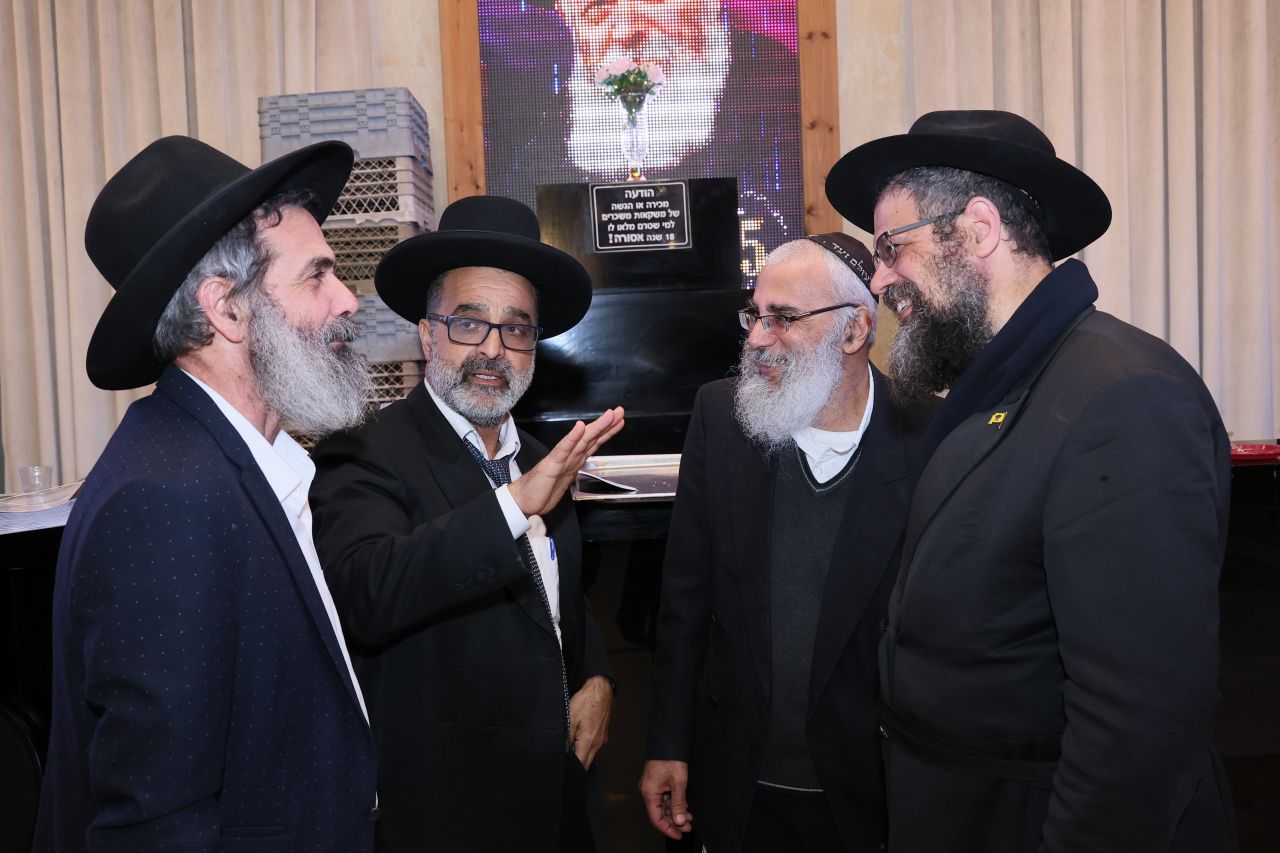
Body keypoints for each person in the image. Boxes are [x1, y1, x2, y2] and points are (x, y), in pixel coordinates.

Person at [824, 109, 1238, 852]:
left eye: (890, 247)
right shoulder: (999, 387)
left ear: (978, 229)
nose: (878, 278)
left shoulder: (1123, 397)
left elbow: (1137, 732)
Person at [35, 136, 379, 851]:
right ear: (226, 308)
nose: (348, 299)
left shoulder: (233, 460)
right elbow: (159, 822)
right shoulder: (165, 500)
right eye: (316, 276)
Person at [309, 195, 625, 853]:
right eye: (468, 323)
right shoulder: (364, 449)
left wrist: (597, 675)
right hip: (445, 811)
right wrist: (513, 505)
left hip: (555, 800)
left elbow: (556, 598)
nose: (492, 350)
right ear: (428, 335)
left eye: (516, 329)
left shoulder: (540, 458)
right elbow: (367, 590)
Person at [640, 234, 936, 852]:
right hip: (738, 783)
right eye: (754, 315)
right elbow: (685, 599)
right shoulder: (722, 416)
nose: (756, 338)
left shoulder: (929, 436)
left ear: (854, 331)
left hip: (873, 794)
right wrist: (667, 743)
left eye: (783, 318)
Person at [480, 0, 801, 269]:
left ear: (708, 5)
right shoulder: (535, 143)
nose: (627, 31)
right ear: (569, 20)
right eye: (598, 7)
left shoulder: (778, 89)